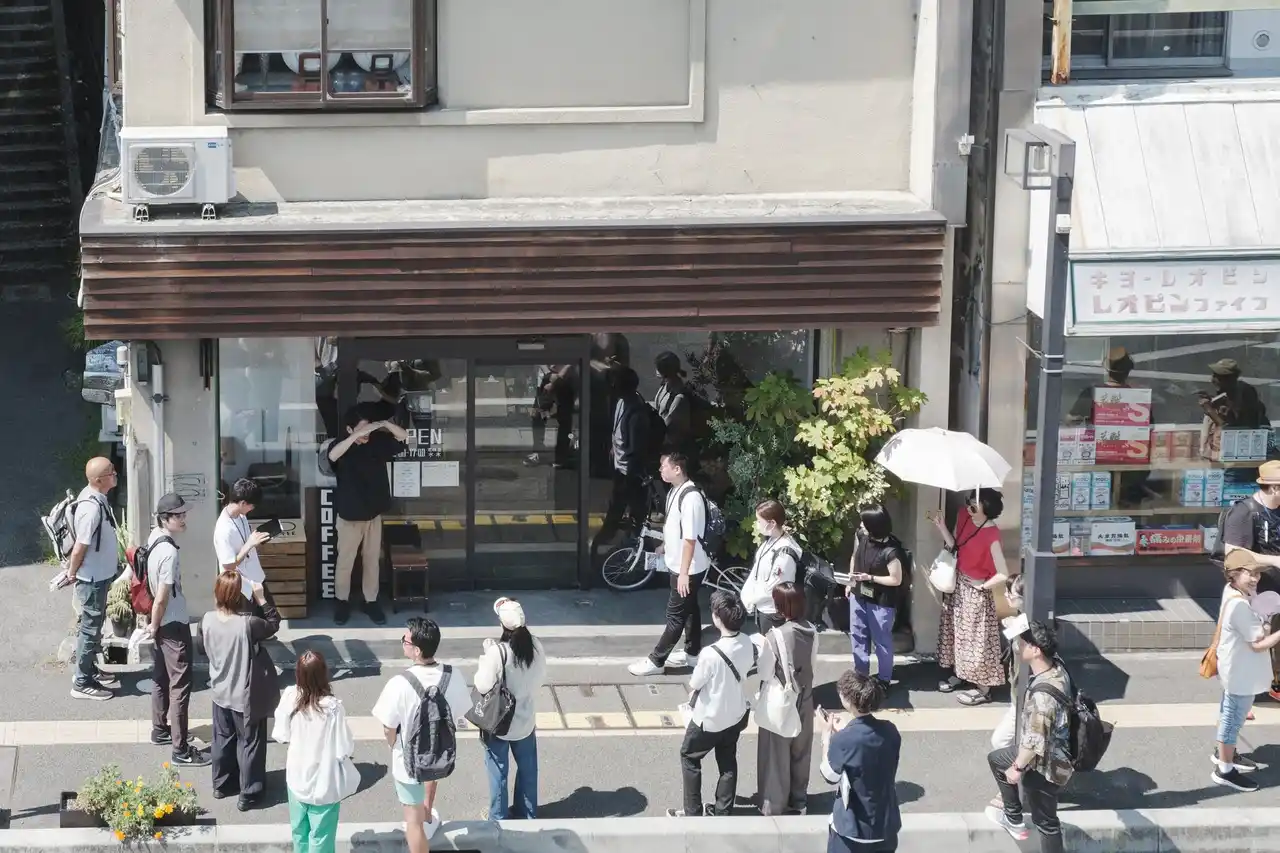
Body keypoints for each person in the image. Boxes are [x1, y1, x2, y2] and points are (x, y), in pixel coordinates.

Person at [371, 618, 472, 853]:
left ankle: (422, 820)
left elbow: (388, 727)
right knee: (427, 782)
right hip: (438, 752)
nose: (403, 643)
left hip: (407, 762)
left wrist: (393, 744)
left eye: (405, 640)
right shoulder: (453, 675)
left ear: (416, 650)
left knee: (412, 823)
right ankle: (427, 814)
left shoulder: (399, 683)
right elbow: (458, 713)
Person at [669, 591, 758, 818]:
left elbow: (695, 683)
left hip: (709, 719)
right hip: (736, 715)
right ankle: (722, 811)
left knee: (689, 757)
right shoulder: (747, 642)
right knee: (727, 762)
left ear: (718, 619)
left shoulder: (710, 653)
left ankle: (693, 811)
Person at [985, 621, 1071, 852]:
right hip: (1056, 751)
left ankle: (1013, 816)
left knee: (1046, 822)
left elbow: (1034, 741)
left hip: (1047, 764)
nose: (1017, 647)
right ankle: (1012, 815)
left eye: (1022, 644)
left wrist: (1017, 768)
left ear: (1035, 650)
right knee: (997, 758)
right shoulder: (1057, 667)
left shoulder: (1043, 696)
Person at [201, 570, 282, 810]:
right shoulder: (248, 624)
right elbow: (274, 624)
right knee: (250, 742)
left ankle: (222, 785)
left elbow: (202, 649)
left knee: (222, 739)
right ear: (239, 598)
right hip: (244, 695)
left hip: (219, 691)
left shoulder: (206, 620)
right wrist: (261, 597)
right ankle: (249, 793)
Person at [326, 403, 409, 626]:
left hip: (373, 514)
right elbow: (332, 456)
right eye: (362, 429)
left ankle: (370, 601)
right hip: (349, 516)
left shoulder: (378, 441)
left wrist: (384, 424)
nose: (367, 434)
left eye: (368, 429)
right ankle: (341, 601)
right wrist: (355, 437)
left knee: (372, 560)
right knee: (345, 561)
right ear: (349, 429)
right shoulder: (341, 445)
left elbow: (404, 437)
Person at [629, 452, 709, 676]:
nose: (660, 470)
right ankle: (693, 653)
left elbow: (690, 539)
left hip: (689, 568)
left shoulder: (691, 497)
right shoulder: (676, 491)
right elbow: (675, 526)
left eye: (663, 466)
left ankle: (656, 661)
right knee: (690, 609)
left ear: (677, 469)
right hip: (681, 564)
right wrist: (665, 545)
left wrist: (684, 573)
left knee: (675, 615)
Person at [145, 493, 208, 766]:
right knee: (180, 686)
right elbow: (162, 596)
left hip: (162, 623)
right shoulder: (168, 552)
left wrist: (153, 624)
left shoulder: (153, 538)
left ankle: (160, 730)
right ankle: (180, 750)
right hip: (172, 623)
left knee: (161, 677)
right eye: (178, 515)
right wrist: (154, 624)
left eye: (184, 514)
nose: (183, 519)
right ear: (164, 518)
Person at [272, 650, 357, 853]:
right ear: (323, 674)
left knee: (299, 832)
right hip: (324, 782)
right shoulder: (333, 708)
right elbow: (344, 748)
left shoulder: (290, 696)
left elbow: (281, 735)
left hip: (296, 776)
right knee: (321, 837)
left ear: (298, 674)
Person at [931, 489, 1010, 705]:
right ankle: (963, 674)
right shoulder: (964, 516)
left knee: (977, 640)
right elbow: (955, 545)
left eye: (974, 505)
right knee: (958, 635)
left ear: (987, 508)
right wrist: (942, 527)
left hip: (976, 593)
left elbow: (1003, 573)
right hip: (958, 585)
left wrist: (983, 585)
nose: (969, 508)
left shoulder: (992, 535)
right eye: (969, 503)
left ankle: (984, 689)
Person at [1212, 552, 1280, 792]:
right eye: (1249, 573)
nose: (1255, 578)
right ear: (1233, 574)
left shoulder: (1232, 592)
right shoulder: (1239, 605)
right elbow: (1258, 644)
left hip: (1236, 668)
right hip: (1241, 673)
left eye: (1257, 573)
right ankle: (1225, 770)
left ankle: (1224, 755)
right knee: (1232, 721)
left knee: (1230, 716)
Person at [475, 598, 547, 820]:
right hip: (525, 720)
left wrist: (486, 654)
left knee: (498, 771)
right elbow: (540, 678)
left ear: (502, 625)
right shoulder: (536, 645)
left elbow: (482, 685)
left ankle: (499, 817)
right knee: (528, 769)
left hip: (499, 722)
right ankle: (527, 813)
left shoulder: (498, 652)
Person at [818, 671, 901, 853]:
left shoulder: (844, 740)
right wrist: (845, 732)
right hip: (885, 826)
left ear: (848, 701)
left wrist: (826, 737)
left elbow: (829, 775)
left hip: (852, 830)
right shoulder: (890, 730)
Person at [755, 582, 819, 815]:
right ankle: (799, 801)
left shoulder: (775, 636)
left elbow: (764, 672)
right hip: (806, 695)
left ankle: (773, 805)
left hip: (782, 698)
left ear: (781, 606)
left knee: (776, 755)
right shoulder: (812, 630)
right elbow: (812, 663)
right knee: (801, 751)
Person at [1221, 460, 1280, 701]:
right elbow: (1233, 552)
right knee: (1252, 643)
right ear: (1274, 488)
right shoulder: (1244, 512)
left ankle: (1273, 685)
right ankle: (1238, 698)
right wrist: (1274, 560)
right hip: (1254, 590)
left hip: (1275, 589)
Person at [67, 457, 122, 701]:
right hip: (92, 579)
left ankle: (88, 669)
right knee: (90, 630)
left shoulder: (96, 497)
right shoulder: (90, 509)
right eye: (111, 472)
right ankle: (82, 682)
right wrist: (71, 572)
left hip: (99, 575)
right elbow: (80, 547)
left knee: (94, 627)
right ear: (99, 480)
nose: (115, 473)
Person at [592, 367, 652, 557]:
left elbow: (636, 449)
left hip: (630, 473)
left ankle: (605, 543)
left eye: (613, 383)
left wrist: (630, 476)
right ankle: (634, 546)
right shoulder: (621, 402)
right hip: (621, 469)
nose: (610, 386)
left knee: (627, 511)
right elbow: (617, 433)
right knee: (630, 512)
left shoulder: (636, 412)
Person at [846, 505, 905, 687]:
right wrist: (850, 581)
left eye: (864, 522)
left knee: (881, 642)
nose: (861, 525)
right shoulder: (862, 536)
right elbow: (855, 556)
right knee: (858, 636)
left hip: (881, 601)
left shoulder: (891, 550)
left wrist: (870, 578)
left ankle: (884, 679)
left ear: (874, 526)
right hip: (858, 595)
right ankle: (861, 676)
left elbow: (896, 579)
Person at [740, 500, 801, 636]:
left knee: (772, 646)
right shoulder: (770, 540)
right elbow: (756, 569)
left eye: (759, 521)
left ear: (772, 523)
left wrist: (750, 600)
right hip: (763, 607)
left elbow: (775, 587)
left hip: (774, 612)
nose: (756, 524)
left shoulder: (785, 554)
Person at [213, 478, 272, 602]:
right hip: (241, 589)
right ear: (243, 503)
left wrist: (256, 540)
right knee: (264, 614)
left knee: (271, 614)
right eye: (252, 505)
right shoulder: (224, 529)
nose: (253, 508)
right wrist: (250, 544)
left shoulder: (241, 516)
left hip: (257, 578)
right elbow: (228, 566)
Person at [653, 351, 692, 456]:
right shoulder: (665, 386)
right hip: (662, 442)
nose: (655, 370)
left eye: (658, 367)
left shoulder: (679, 397)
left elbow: (668, 422)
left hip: (673, 448)